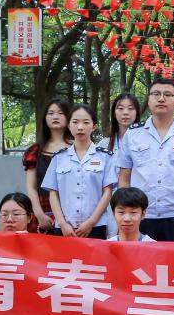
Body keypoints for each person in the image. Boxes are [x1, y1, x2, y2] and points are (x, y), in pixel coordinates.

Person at [73, 187, 155, 315]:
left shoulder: (153, 247)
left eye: (133, 212)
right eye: (121, 212)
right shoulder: (103, 247)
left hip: (141, 314)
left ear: (143, 214)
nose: (126, 218)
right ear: (113, 213)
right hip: (110, 313)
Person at [117, 78, 174, 242]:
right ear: (148, 99)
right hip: (141, 216)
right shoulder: (132, 135)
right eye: (156, 94)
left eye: (167, 94)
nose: (161, 98)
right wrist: (124, 215)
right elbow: (124, 178)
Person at [41, 103, 117, 240]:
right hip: (64, 227)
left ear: (94, 126)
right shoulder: (59, 158)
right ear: (69, 125)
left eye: (86, 122)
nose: (80, 127)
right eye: (75, 122)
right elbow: (53, 193)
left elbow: (107, 192)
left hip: (96, 226)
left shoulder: (105, 157)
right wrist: (62, 224)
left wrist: (91, 222)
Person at [23, 98, 73, 233]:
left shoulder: (76, 148)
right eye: (50, 113)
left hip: (71, 211)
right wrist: (39, 215)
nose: (55, 116)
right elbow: (31, 187)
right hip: (42, 211)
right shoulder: (35, 150)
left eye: (60, 113)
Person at [100, 93, 141, 233]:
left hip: (135, 201)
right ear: (114, 112)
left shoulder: (144, 142)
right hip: (108, 202)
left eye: (130, 108)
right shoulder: (104, 144)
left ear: (137, 112)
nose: (125, 112)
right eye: (120, 108)